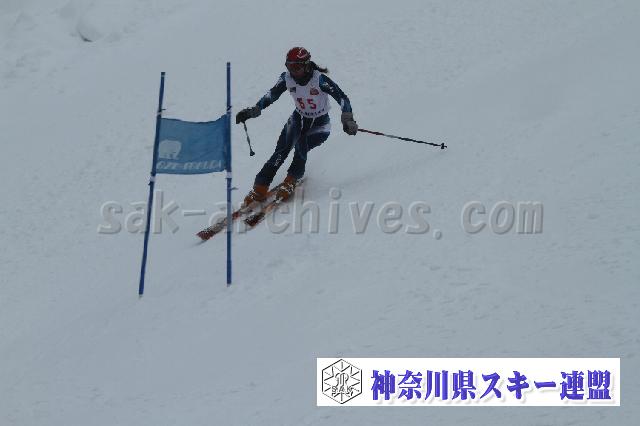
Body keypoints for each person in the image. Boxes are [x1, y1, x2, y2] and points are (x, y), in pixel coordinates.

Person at [235, 46, 358, 205]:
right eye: (290, 67)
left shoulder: (319, 80)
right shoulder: (287, 78)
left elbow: (342, 98)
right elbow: (271, 95)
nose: (293, 72)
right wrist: (253, 110)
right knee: (281, 150)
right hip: (298, 119)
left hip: (320, 125)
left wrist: (348, 119)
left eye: (297, 67)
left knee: (301, 144)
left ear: (306, 66)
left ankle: (292, 179)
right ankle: (260, 187)